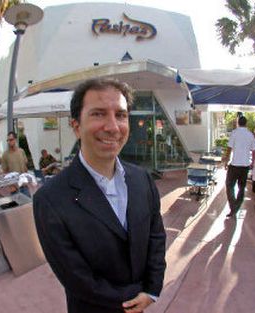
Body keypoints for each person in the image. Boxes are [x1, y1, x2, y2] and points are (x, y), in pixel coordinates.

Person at [33, 78, 166, 313]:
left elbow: (156, 237)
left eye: (121, 115)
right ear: (76, 126)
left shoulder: (142, 179)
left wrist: (152, 290)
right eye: (98, 114)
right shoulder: (50, 200)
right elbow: (76, 276)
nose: (113, 127)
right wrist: (136, 297)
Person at [223, 115, 255, 218]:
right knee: (241, 188)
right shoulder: (250, 135)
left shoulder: (234, 133)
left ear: (238, 123)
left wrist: (226, 159)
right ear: (246, 123)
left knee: (229, 186)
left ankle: (233, 206)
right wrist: (254, 162)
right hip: (245, 166)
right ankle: (235, 207)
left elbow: (229, 148)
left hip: (234, 165)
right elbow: (254, 150)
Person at [1, 131, 30, 197]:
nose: (9, 142)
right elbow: (5, 172)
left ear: (15, 140)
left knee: (28, 205)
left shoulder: (21, 151)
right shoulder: (5, 155)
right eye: (7, 140)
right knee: (17, 207)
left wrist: (27, 180)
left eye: (11, 140)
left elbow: (25, 167)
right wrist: (10, 186)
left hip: (24, 186)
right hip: (14, 188)